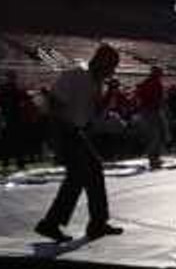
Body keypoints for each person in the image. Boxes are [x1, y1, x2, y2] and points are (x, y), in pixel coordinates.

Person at [35, 44, 124, 243]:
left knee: (90, 171)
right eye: (111, 66)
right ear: (101, 62)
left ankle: (94, 223)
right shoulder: (75, 75)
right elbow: (55, 102)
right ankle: (55, 223)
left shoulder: (96, 81)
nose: (113, 71)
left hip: (77, 131)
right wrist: (60, 130)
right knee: (79, 175)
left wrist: (111, 92)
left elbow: (97, 112)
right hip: (64, 130)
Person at [134, 66, 168, 170]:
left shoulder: (150, 82)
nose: (161, 74)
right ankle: (152, 156)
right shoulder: (152, 83)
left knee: (159, 133)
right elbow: (153, 97)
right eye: (159, 72)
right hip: (151, 110)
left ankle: (155, 155)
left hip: (152, 110)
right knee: (155, 134)